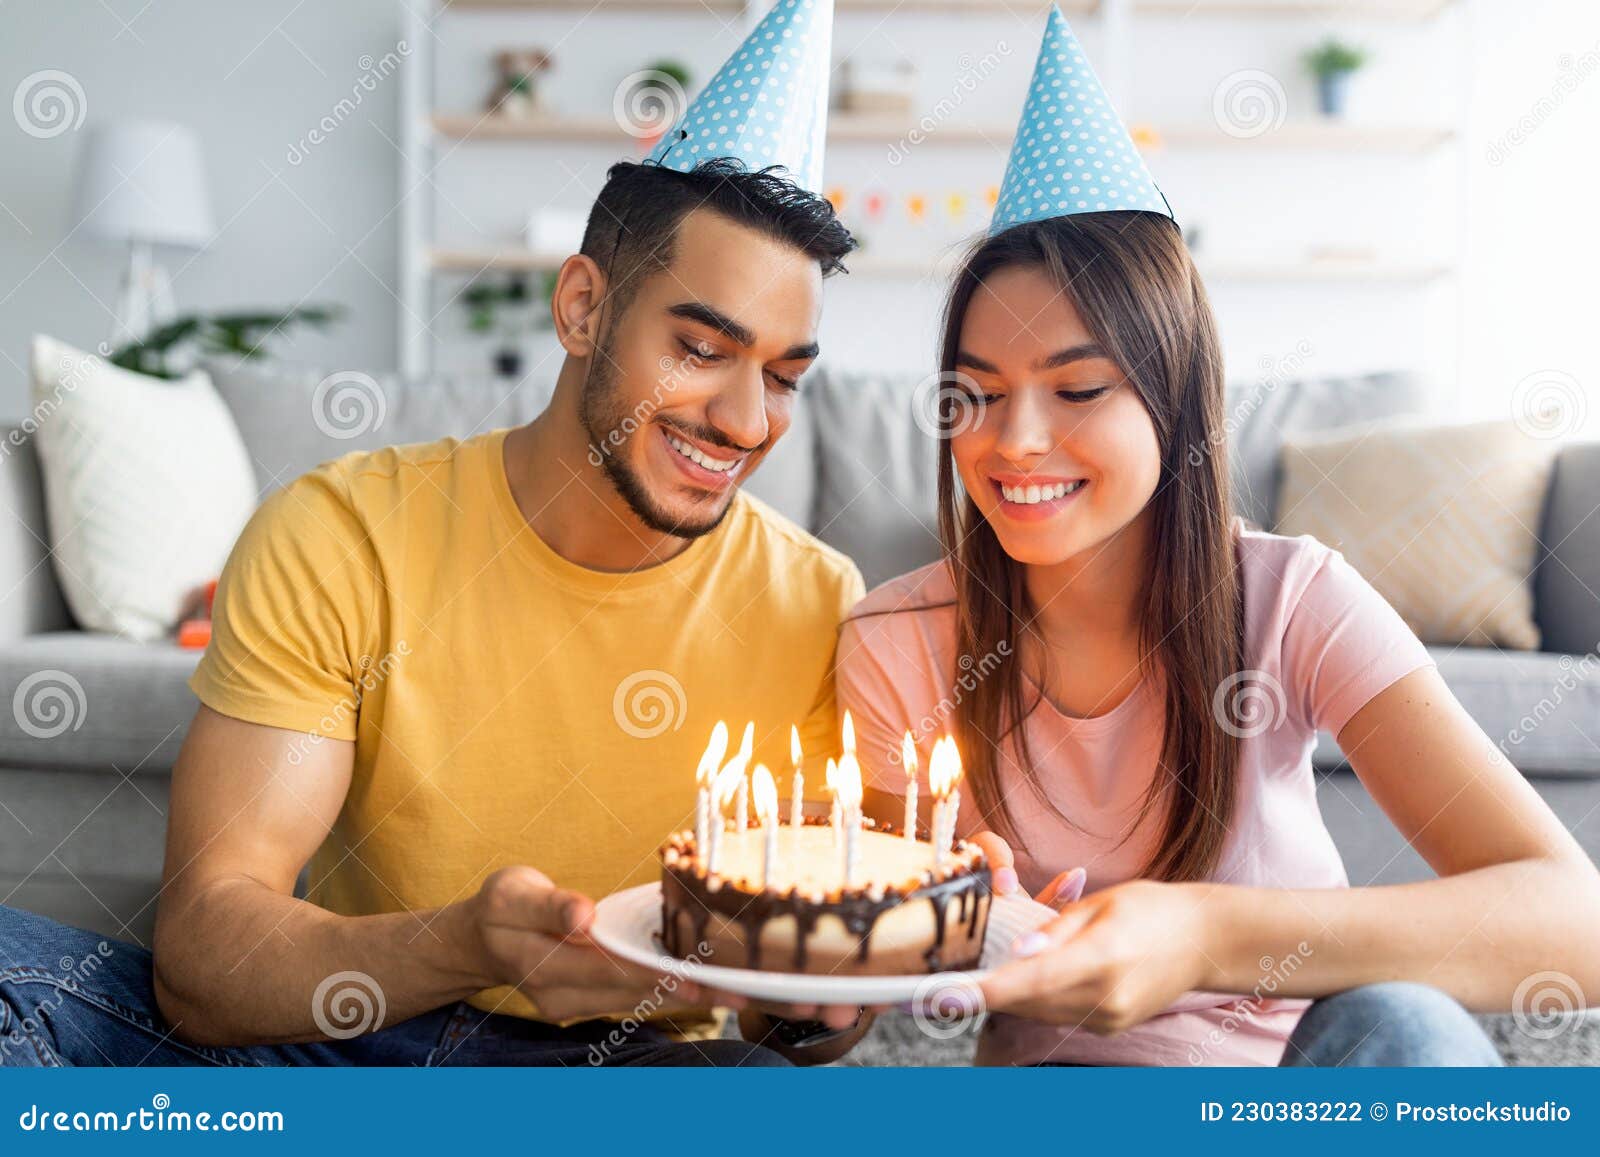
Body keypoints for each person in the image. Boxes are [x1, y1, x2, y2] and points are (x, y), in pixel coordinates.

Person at [0, 0, 868, 1068]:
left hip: (639, 1071)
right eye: (700, 348)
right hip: (355, 1038)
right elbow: (204, 958)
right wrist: (458, 942)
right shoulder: (341, 533)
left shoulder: (820, 604)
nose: (746, 421)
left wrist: (823, 1005)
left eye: (784, 376)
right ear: (583, 308)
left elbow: (794, 1018)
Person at [837, 6, 1600, 1067]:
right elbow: (849, 977)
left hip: (1302, 1081)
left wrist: (1205, 933)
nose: (1011, 440)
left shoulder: (1292, 600)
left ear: (1176, 398)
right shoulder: (896, 640)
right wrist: (854, 976)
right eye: (976, 393)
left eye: (1076, 388)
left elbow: (1573, 918)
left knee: (1400, 1025)